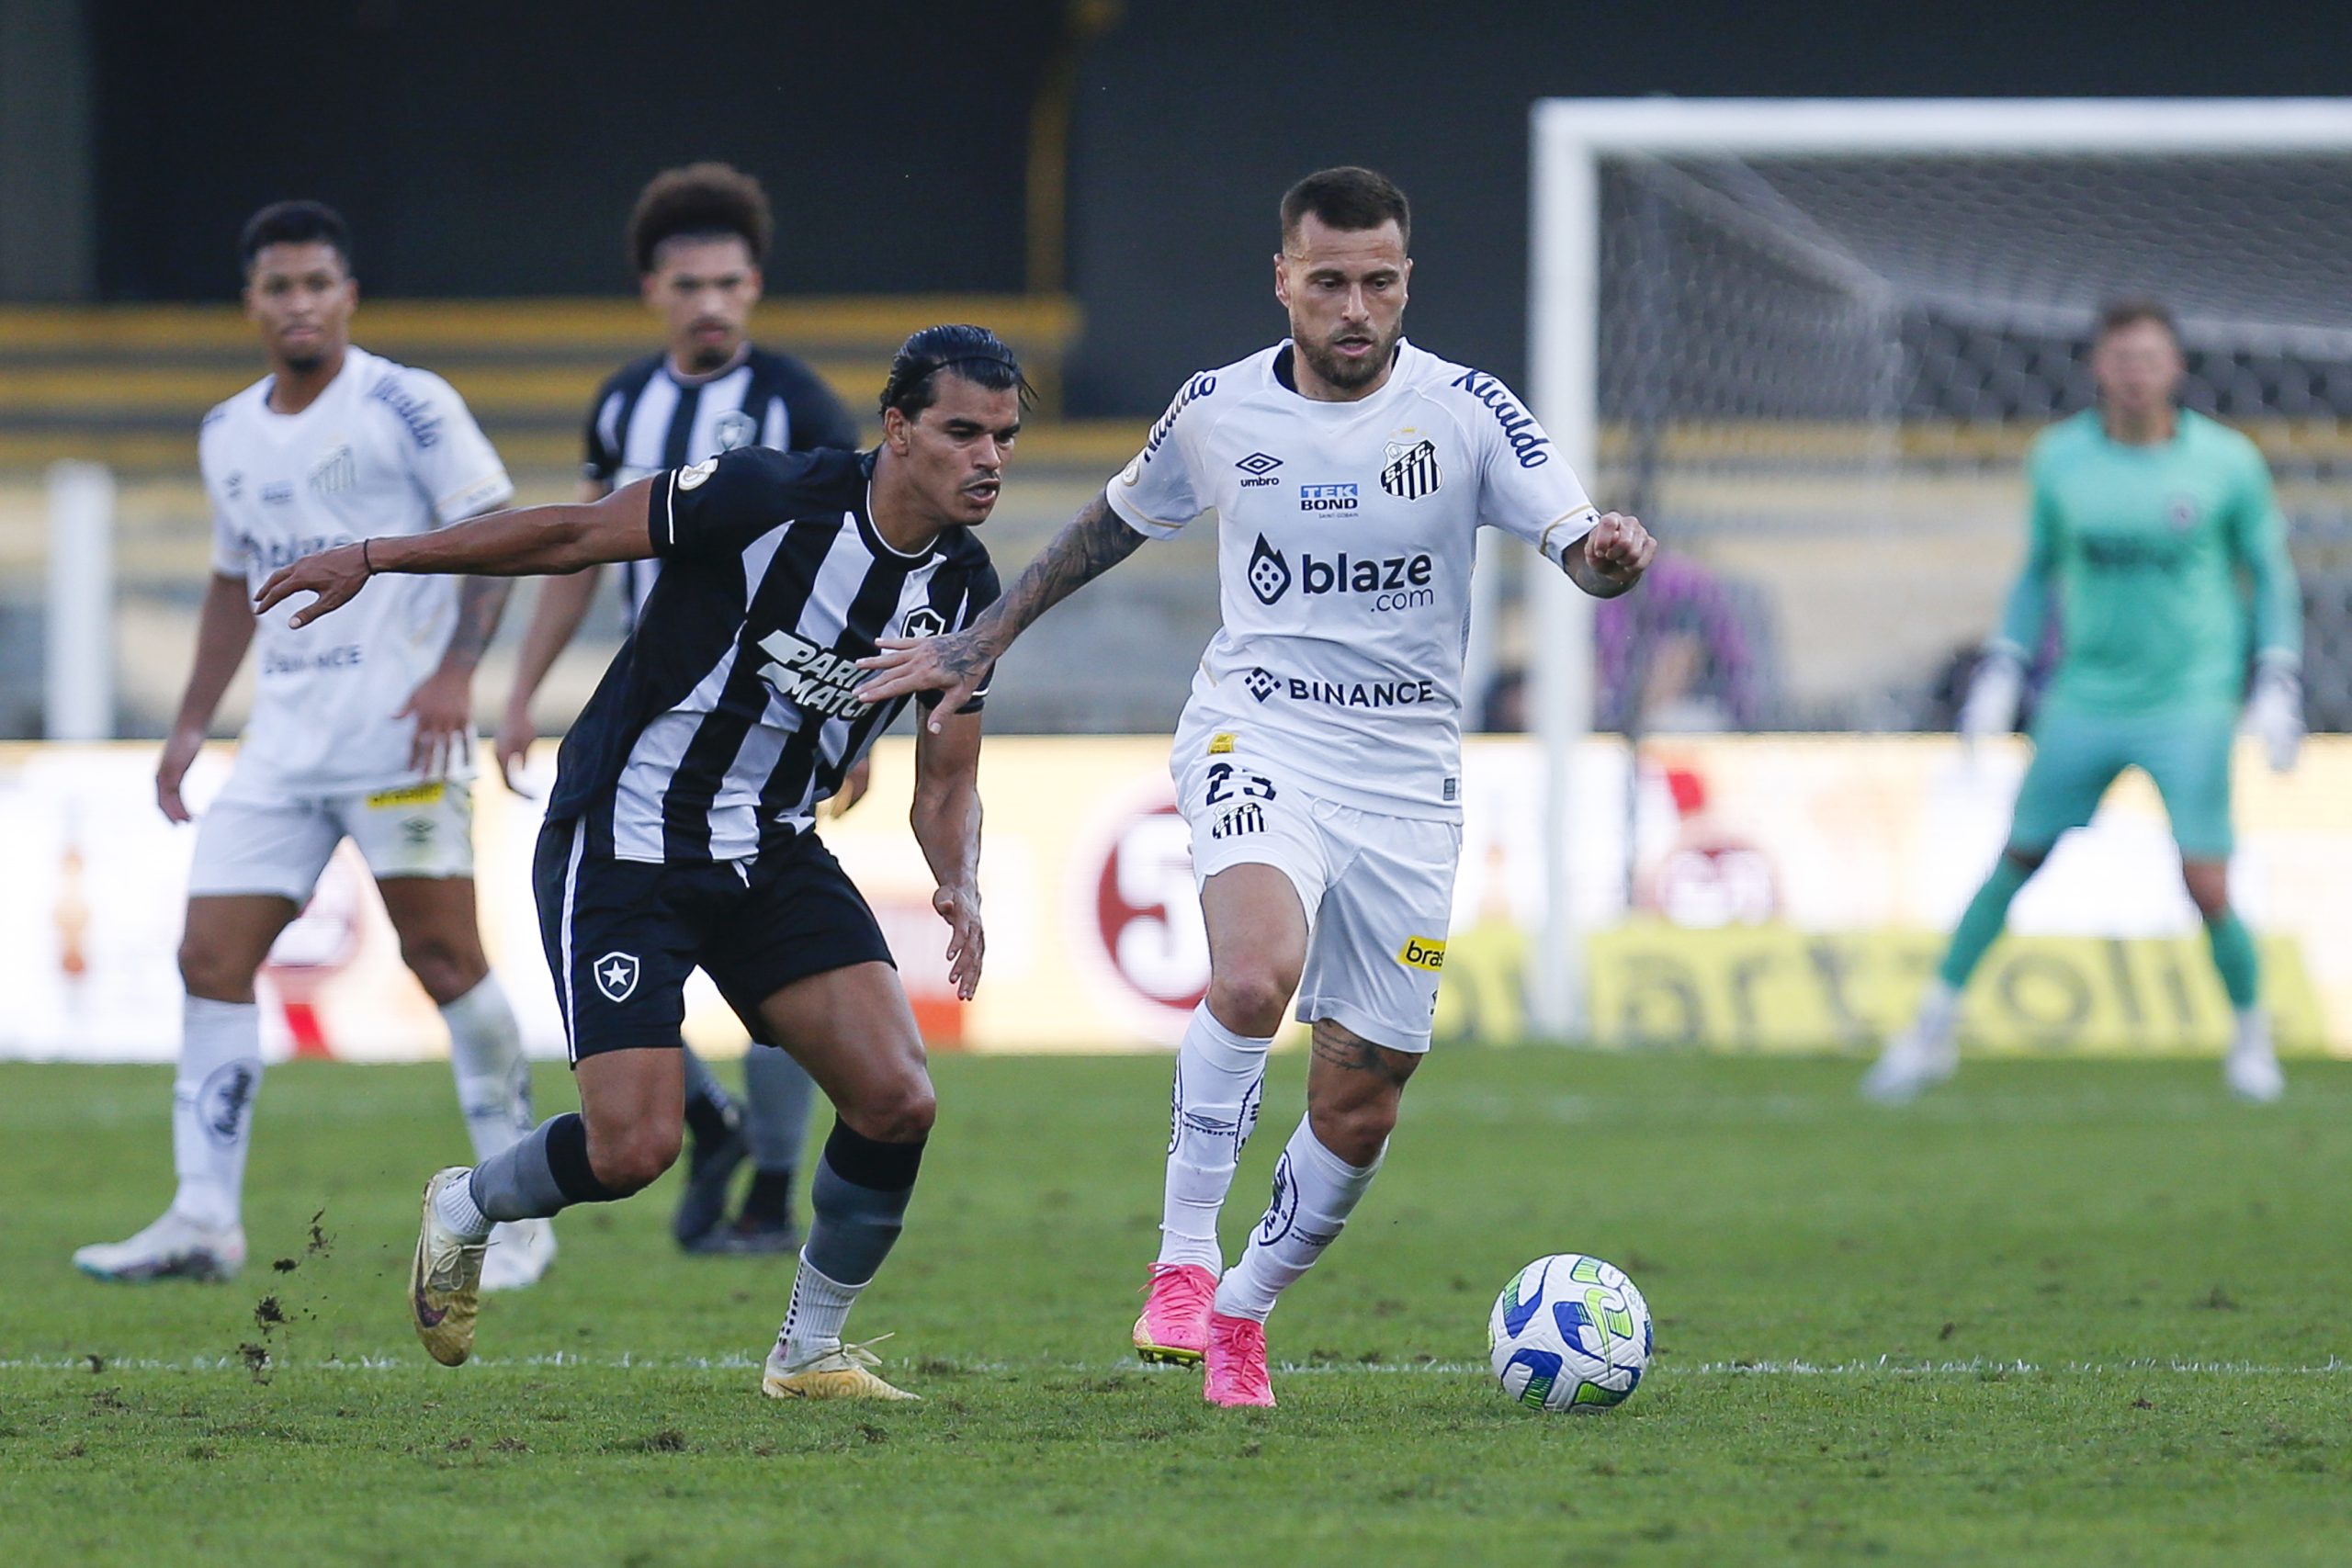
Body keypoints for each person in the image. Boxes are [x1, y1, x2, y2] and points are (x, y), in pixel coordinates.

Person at [858, 169, 1655, 1406]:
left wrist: (1608, 556)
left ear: (1404, 283)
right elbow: (1112, 524)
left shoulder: (1468, 412)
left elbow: (1580, 545)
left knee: (1365, 1092)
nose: (1354, 306)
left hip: (1407, 777)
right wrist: (988, 634)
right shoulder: (1218, 410)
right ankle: (1181, 1257)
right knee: (1248, 971)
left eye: (1377, 282)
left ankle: (1244, 1306)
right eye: (1328, 279)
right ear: (1282, 277)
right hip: (1259, 728)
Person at [258, 324, 1022, 1401]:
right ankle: (468, 1203)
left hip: (772, 849)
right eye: (962, 432)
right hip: (627, 835)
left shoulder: (970, 591)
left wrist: (957, 875)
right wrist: (379, 556)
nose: (988, 457)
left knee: (897, 1098)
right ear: (898, 430)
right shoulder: (764, 495)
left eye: (1004, 436)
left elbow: (945, 778)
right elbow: (572, 533)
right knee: (631, 1150)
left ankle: (808, 1352)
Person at [74, 201, 550, 1290]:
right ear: (252, 304)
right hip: (280, 748)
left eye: (317, 284)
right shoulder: (226, 430)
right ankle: (202, 1217)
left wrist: (454, 673)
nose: (299, 303)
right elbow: (230, 585)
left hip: (399, 738)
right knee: (209, 960)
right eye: (278, 287)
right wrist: (192, 720)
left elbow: (497, 533)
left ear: (348, 295)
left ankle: (519, 1215)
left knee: (444, 962)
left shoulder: (408, 405)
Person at [494, 163, 861, 1257]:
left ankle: (768, 1190)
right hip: (641, 726)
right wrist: (519, 689)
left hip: (772, 732)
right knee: (609, 956)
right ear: (653, 288)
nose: (711, 303)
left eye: (730, 283)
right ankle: (708, 1121)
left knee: (787, 956)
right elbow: (575, 550)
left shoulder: (798, 402)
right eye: (689, 282)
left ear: (754, 288)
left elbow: (854, 561)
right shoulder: (621, 402)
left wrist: (853, 733)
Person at [1863, 299, 2304, 1104]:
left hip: (2190, 696)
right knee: (2017, 859)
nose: (2135, 374)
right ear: (2100, 367)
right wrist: (2004, 665)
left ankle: (2250, 1037)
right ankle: (1931, 1029)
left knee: (2206, 881)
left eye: (2149, 358)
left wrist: (2277, 672)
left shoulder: (2227, 462)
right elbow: (2037, 571)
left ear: (2174, 368)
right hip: (2087, 693)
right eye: (2121, 358)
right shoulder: (2060, 459)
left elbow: (2268, 573)